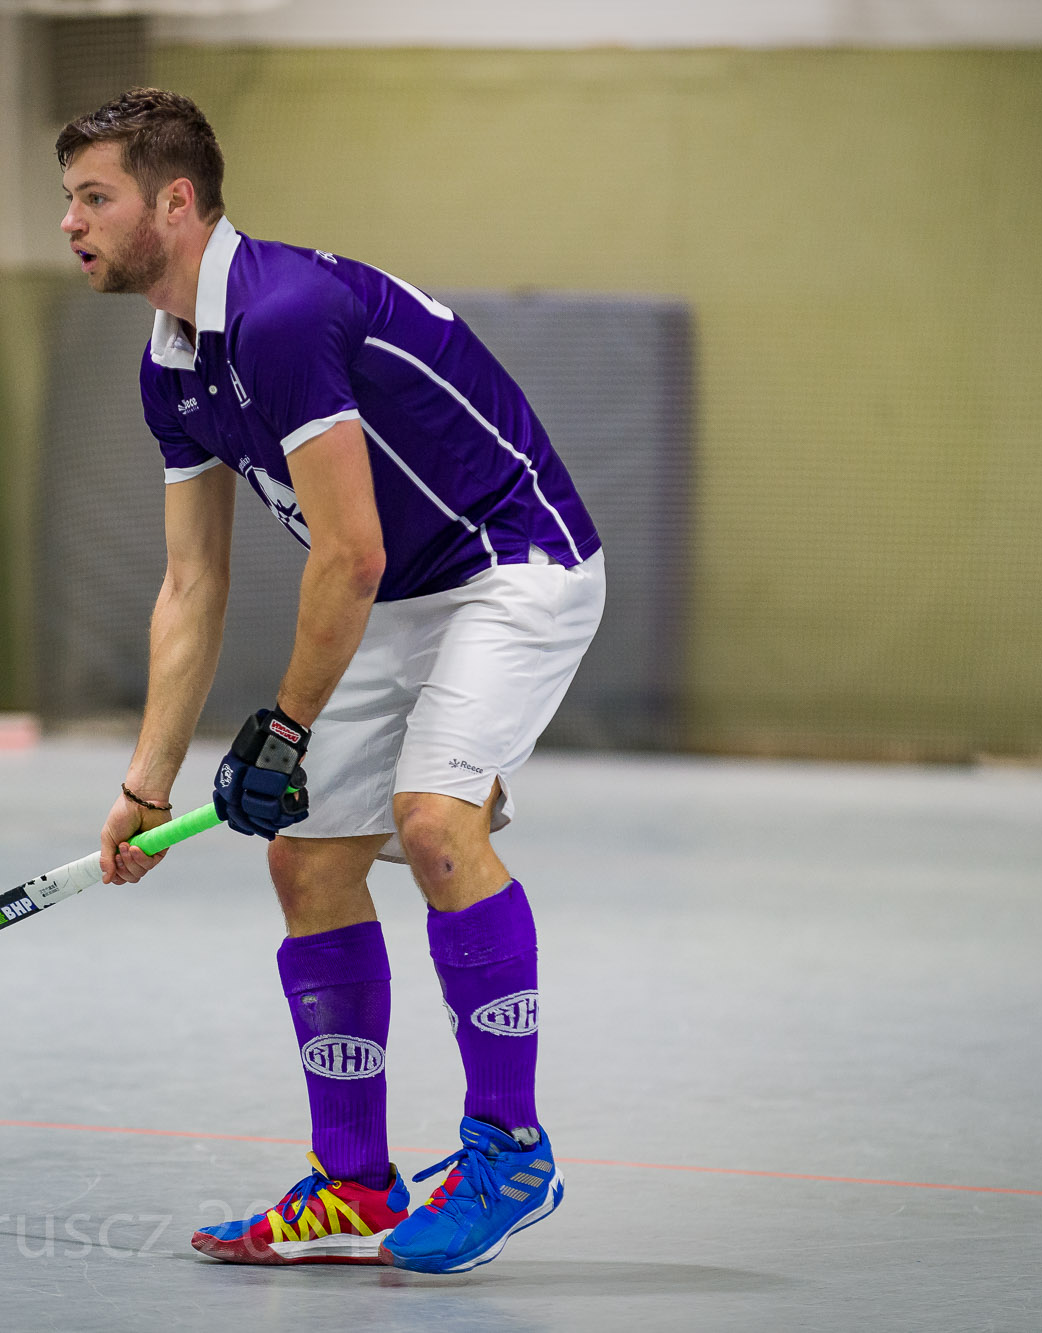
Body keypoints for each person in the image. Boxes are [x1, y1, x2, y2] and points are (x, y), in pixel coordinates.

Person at [58, 89, 604, 1274]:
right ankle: (353, 1181)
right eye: (70, 200)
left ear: (175, 202)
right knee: (304, 863)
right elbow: (192, 583)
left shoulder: (280, 314)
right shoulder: (170, 362)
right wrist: (146, 786)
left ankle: (510, 1149)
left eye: (93, 197)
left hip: (510, 562)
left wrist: (283, 731)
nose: (70, 222)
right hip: (400, 593)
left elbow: (347, 553)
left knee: (436, 824)